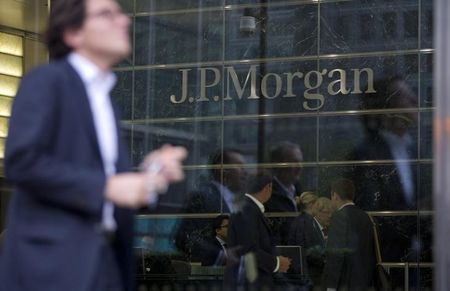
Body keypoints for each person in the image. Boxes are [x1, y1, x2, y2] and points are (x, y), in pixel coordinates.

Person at [0, 0, 187, 291]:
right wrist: (106, 187)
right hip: (53, 268)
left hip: (103, 264)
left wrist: (150, 176)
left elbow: (107, 187)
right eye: (106, 14)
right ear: (73, 33)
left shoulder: (104, 100)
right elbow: (22, 161)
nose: (123, 21)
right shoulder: (46, 80)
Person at [224, 175, 291, 290]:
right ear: (267, 187)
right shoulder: (248, 210)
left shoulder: (246, 208)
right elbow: (249, 250)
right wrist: (277, 263)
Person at [321, 179, 375, 291]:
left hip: (344, 284)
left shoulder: (338, 217)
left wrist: (331, 287)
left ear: (335, 195)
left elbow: (336, 256)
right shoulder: (365, 217)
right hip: (364, 283)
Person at [288, 197, 334, 287]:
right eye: (327, 212)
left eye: (332, 213)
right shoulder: (307, 227)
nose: (330, 216)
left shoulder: (325, 228)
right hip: (311, 279)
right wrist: (327, 259)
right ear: (318, 213)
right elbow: (307, 252)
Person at [265, 141, 304, 245]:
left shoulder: (301, 193)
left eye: (300, 161)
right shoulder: (266, 197)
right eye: (294, 161)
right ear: (279, 164)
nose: (300, 166)